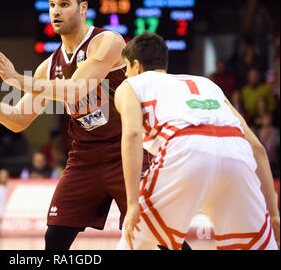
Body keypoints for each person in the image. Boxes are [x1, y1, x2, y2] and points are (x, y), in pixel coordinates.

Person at [0, 0, 152, 250]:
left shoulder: (108, 41)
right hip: (85, 157)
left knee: (157, 236)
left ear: (82, 8)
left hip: (126, 151)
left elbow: (77, 89)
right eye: (52, 5)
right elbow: (18, 121)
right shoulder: (48, 66)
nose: (55, 11)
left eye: (64, 4)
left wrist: (18, 79)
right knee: (54, 238)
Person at [114, 32, 279, 250]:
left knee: (135, 240)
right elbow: (257, 147)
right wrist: (274, 215)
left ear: (136, 66)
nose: (125, 74)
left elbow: (132, 134)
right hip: (237, 153)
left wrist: (133, 203)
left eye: (125, 67)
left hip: (187, 148)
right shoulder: (207, 85)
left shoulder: (130, 85)